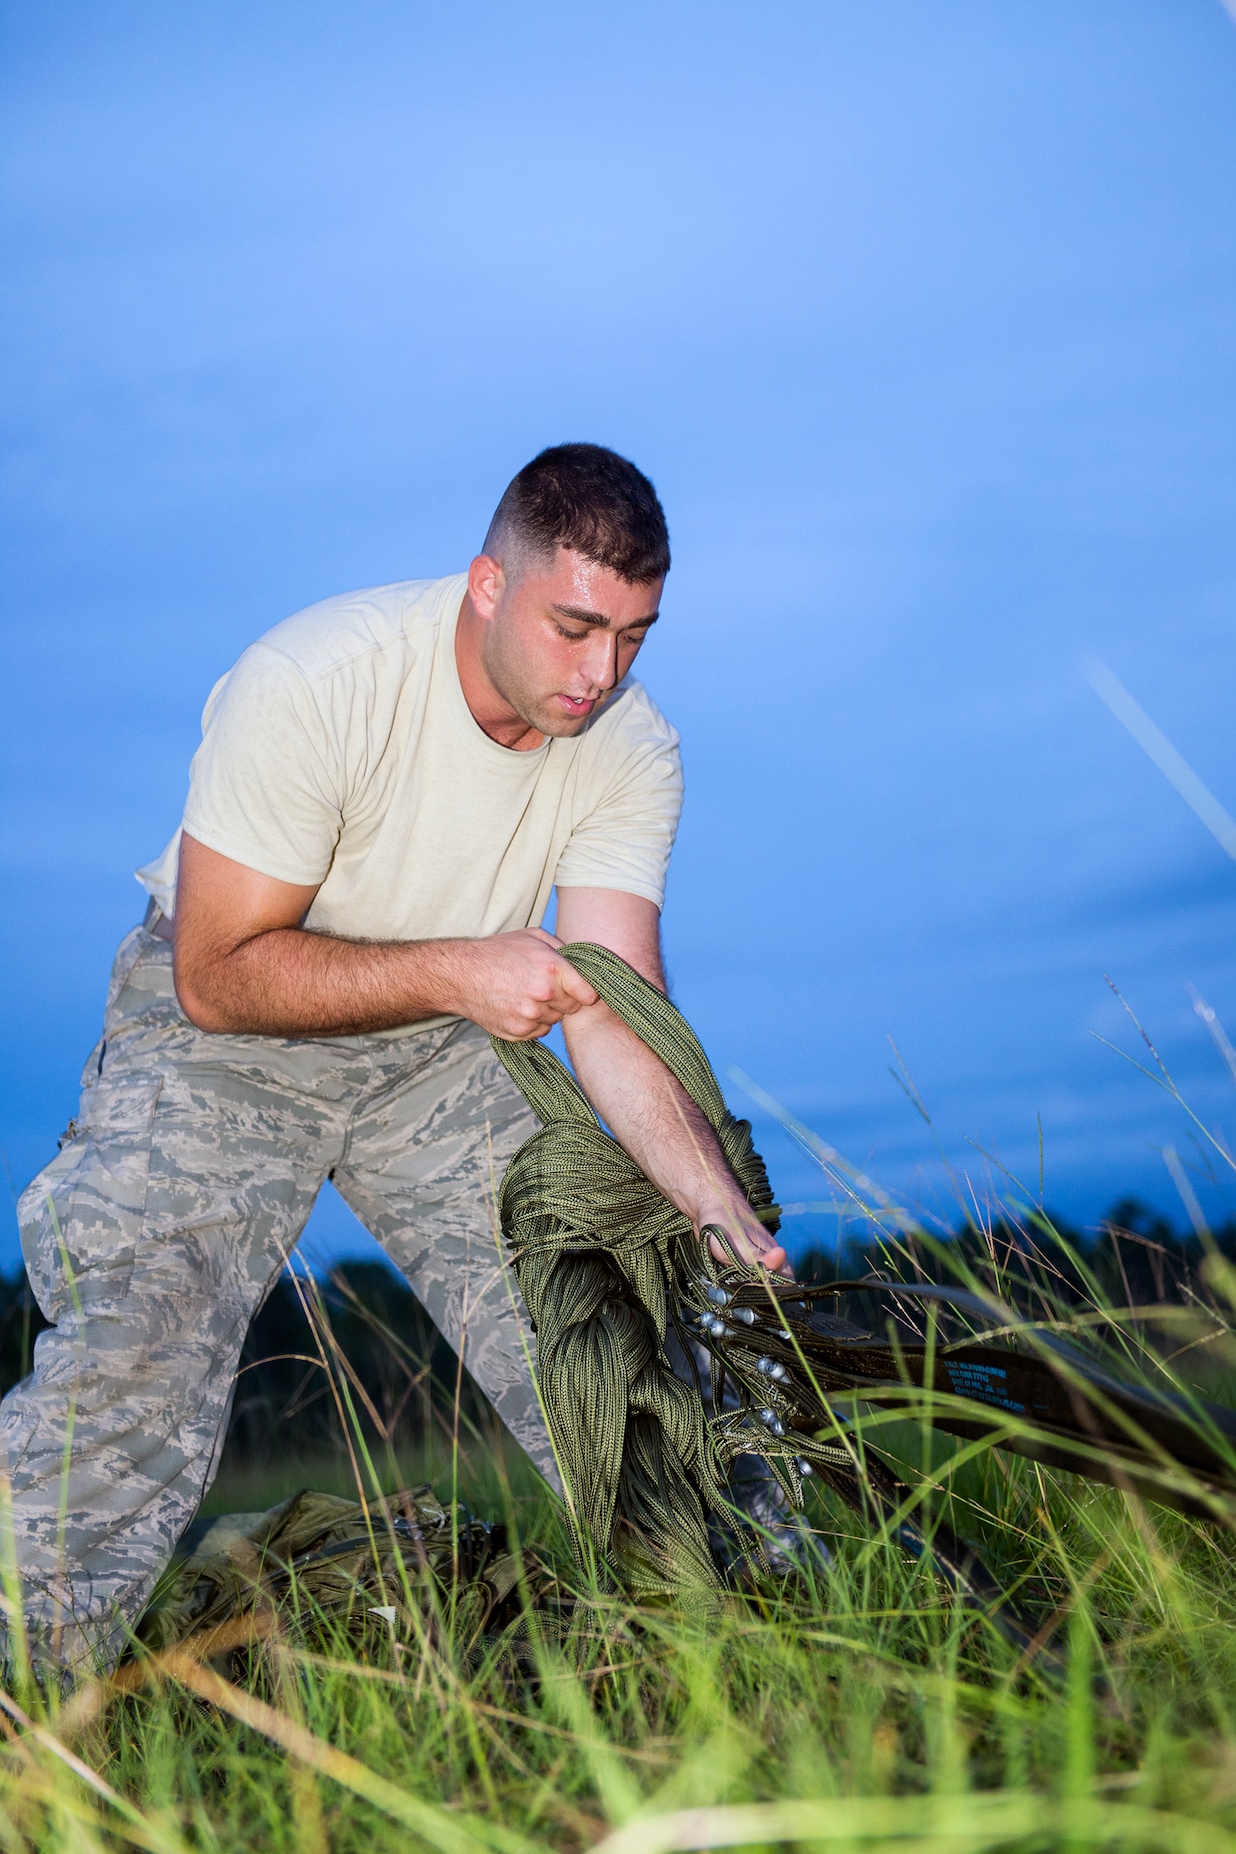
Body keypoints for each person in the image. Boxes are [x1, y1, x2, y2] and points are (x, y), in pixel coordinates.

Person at [0, 442, 790, 1677]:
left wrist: (717, 1209)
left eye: (635, 635)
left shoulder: (632, 750)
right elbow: (217, 974)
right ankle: (22, 1699)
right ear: (487, 583)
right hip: (229, 1028)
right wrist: (459, 971)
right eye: (576, 626)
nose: (602, 673)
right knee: (140, 1347)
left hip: (437, 1051)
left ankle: (760, 1640)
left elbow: (612, 1010)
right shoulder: (320, 679)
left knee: (609, 1333)